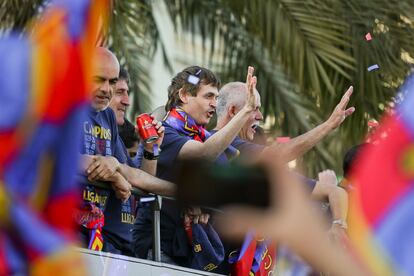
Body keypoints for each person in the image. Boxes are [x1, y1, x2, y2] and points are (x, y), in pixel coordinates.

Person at [133, 66, 259, 268]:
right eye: (208, 96)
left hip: (188, 249)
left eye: (217, 98)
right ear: (184, 94)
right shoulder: (164, 130)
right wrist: (245, 111)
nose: (214, 104)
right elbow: (206, 153)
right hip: (158, 246)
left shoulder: (202, 135)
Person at [214, 81, 352, 236]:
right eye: (255, 108)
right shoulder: (215, 145)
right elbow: (277, 155)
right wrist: (329, 125)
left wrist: (338, 226)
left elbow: (335, 192)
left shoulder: (257, 163)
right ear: (232, 110)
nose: (260, 116)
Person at [79, 47, 175, 254]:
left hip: (101, 239)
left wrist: (150, 149)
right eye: (99, 79)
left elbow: (135, 177)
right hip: (61, 232)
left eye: (112, 82)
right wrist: (114, 175)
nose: (107, 89)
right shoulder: (61, 106)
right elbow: (52, 155)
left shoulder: (107, 117)